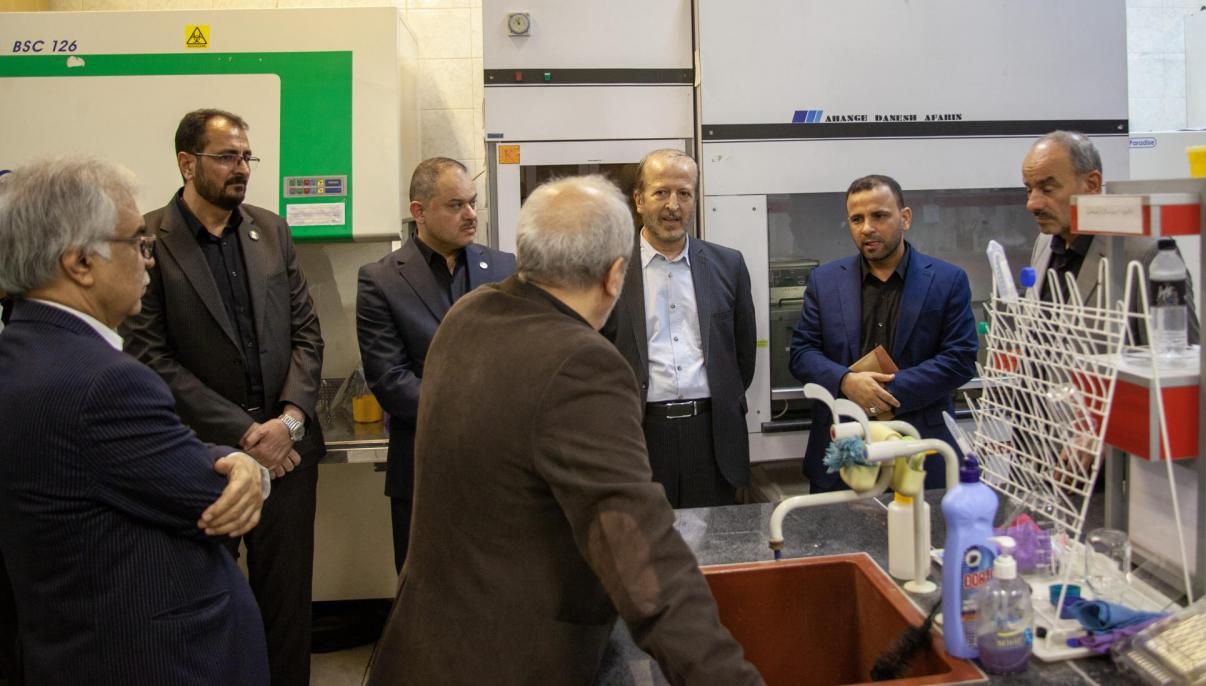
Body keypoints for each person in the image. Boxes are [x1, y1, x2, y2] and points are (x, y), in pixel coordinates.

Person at [366, 175, 763, 686]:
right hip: (514, 658)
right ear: (615, 275)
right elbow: (641, 553)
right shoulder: (582, 363)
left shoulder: (468, 315)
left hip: (424, 645)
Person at [0, 156, 269, 685]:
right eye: (137, 243)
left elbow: (143, 462)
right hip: (154, 659)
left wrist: (225, 457)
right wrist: (244, 466)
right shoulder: (104, 383)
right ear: (81, 262)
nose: (149, 261)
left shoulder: (21, 353)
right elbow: (210, 499)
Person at [119, 109, 325, 686]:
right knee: (205, 603)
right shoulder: (149, 239)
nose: (242, 169)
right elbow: (150, 356)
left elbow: (307, 334)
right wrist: (247, 433)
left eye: (246, 157)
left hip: (289, 457)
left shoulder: (271, 231)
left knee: (287, 606)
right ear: (187, 163)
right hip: (202, 458)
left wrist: (289, 422)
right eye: (227, 157)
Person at [356, 157, 514, 573]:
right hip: (424, 470)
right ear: (419, 211)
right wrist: (471, 412)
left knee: (500, 589)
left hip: (499, 471)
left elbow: (520, 357)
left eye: (473, 202)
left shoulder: (504, 269)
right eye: (456, 205)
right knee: (425, 591)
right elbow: (389, 378)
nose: (471, 214)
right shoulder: (381, 280)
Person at [790, 174, 978, 492]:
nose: (867, 228)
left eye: (879, 216)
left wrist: (884, 393)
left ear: (905, 218)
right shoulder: (825, 281)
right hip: (843, 449)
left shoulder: (947, 280)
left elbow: (959, 359)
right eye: (857, 219)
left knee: (921, 526)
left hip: (920, 448)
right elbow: (802, 353)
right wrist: (846, 381)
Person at [605, 149, 756, 508]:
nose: (673, 205)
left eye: (684, 193)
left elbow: (742, 355)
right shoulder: (608, 269)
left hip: (712, 436)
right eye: (661, 192)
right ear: (639, 200)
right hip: (638, 434)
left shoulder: (728, 265)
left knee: (715, 539)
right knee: (644, 539)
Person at [1022, 130, 1199, 342]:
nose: (1032, 203)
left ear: (1092, 184)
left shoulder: (1146, 254)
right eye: (1029, 189)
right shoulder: (1045, 243)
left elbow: (1181, 353)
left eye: (1048, 189)